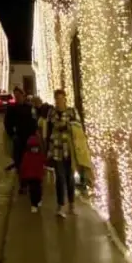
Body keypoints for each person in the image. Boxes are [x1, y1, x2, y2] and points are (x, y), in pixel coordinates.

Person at [46, 89, 80, 217]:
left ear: (65, 99)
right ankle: (60, 206)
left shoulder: (72, 112)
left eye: (61, 99)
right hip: (56, 150)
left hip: (69, 151)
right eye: (57, 99)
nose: (59, 102)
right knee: (60, 178)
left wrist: (68, 127)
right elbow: (48, 131)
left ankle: (71, 205)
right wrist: (47, 150)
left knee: (70, 178)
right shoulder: (51, 113)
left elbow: (78, 127)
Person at [3, 87, 36, 193]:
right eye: (15, 96)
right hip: (18, 139)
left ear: (23, 95)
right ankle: (23, 184)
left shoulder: (29, 107)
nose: (17, 97)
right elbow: (7, 123)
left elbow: (34, 122)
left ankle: (29, 182)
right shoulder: (11, 108)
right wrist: (12, 134)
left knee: (29, 162)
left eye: (19, 95)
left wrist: (34, 135)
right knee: (19, 162)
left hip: (29, 139)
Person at [18, 133, 46, 213]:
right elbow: (23, 166)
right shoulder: (27, 156)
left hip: (38, 176)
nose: (34, 149)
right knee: (33, 190)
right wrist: (22, 175)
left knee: (39, 190)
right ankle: (34, 204)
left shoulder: (40, 155)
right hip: (30, 177)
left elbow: (44, 161)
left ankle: (39, 199)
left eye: (36, 148)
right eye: (33, 148)